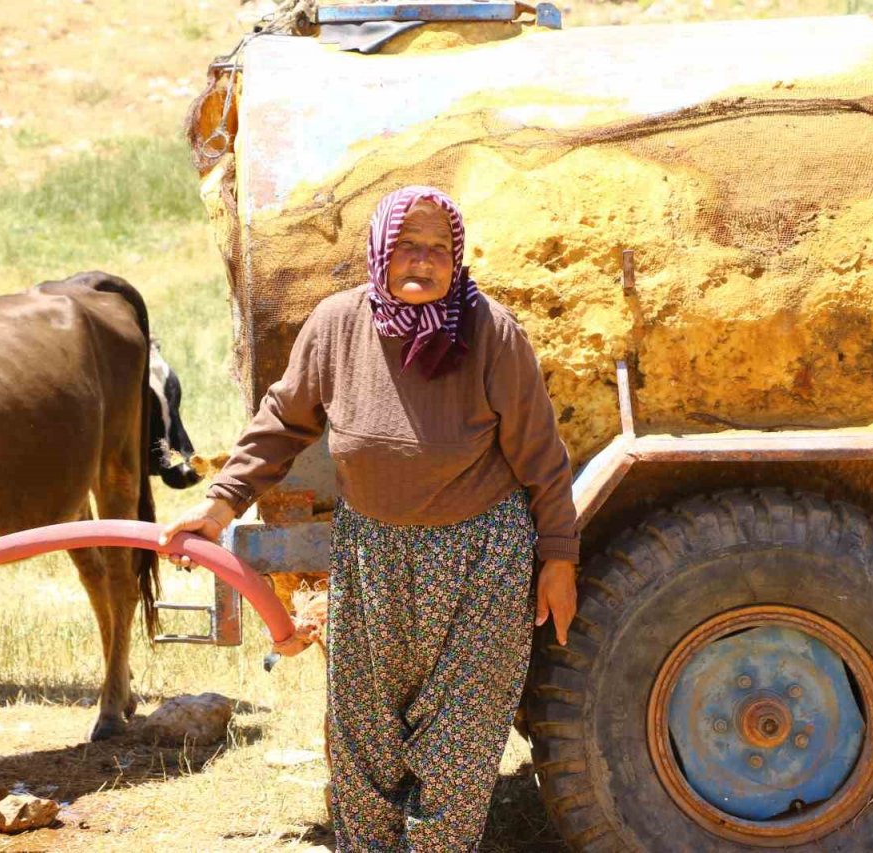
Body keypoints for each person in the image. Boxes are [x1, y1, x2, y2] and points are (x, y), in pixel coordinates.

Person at [160, 185, 579, 851]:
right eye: (407, 246)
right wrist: (219, 503)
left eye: (438, 249)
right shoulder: (337, 325)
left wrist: (558, 555)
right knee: (365, 735)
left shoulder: (491, 332)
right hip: (370, 551)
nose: (423, 261)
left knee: (456, 741)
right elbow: (281, 422)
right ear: (380, 251)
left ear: (457, 258)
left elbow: (541, 453)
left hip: (480, 556)